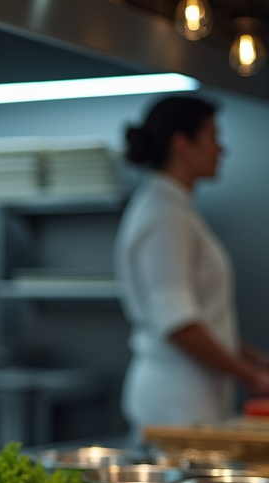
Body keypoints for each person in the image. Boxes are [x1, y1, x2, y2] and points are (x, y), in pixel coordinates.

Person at [115, 95, 269, 437]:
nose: (221, 150)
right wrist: (250, 376)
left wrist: (251, 357)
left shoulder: (174, 209)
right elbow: (177, 322)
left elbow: (197, 315)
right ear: (182, 144)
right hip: (176, 405)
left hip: (189, 402)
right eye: (213, 137)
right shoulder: (165, 214)